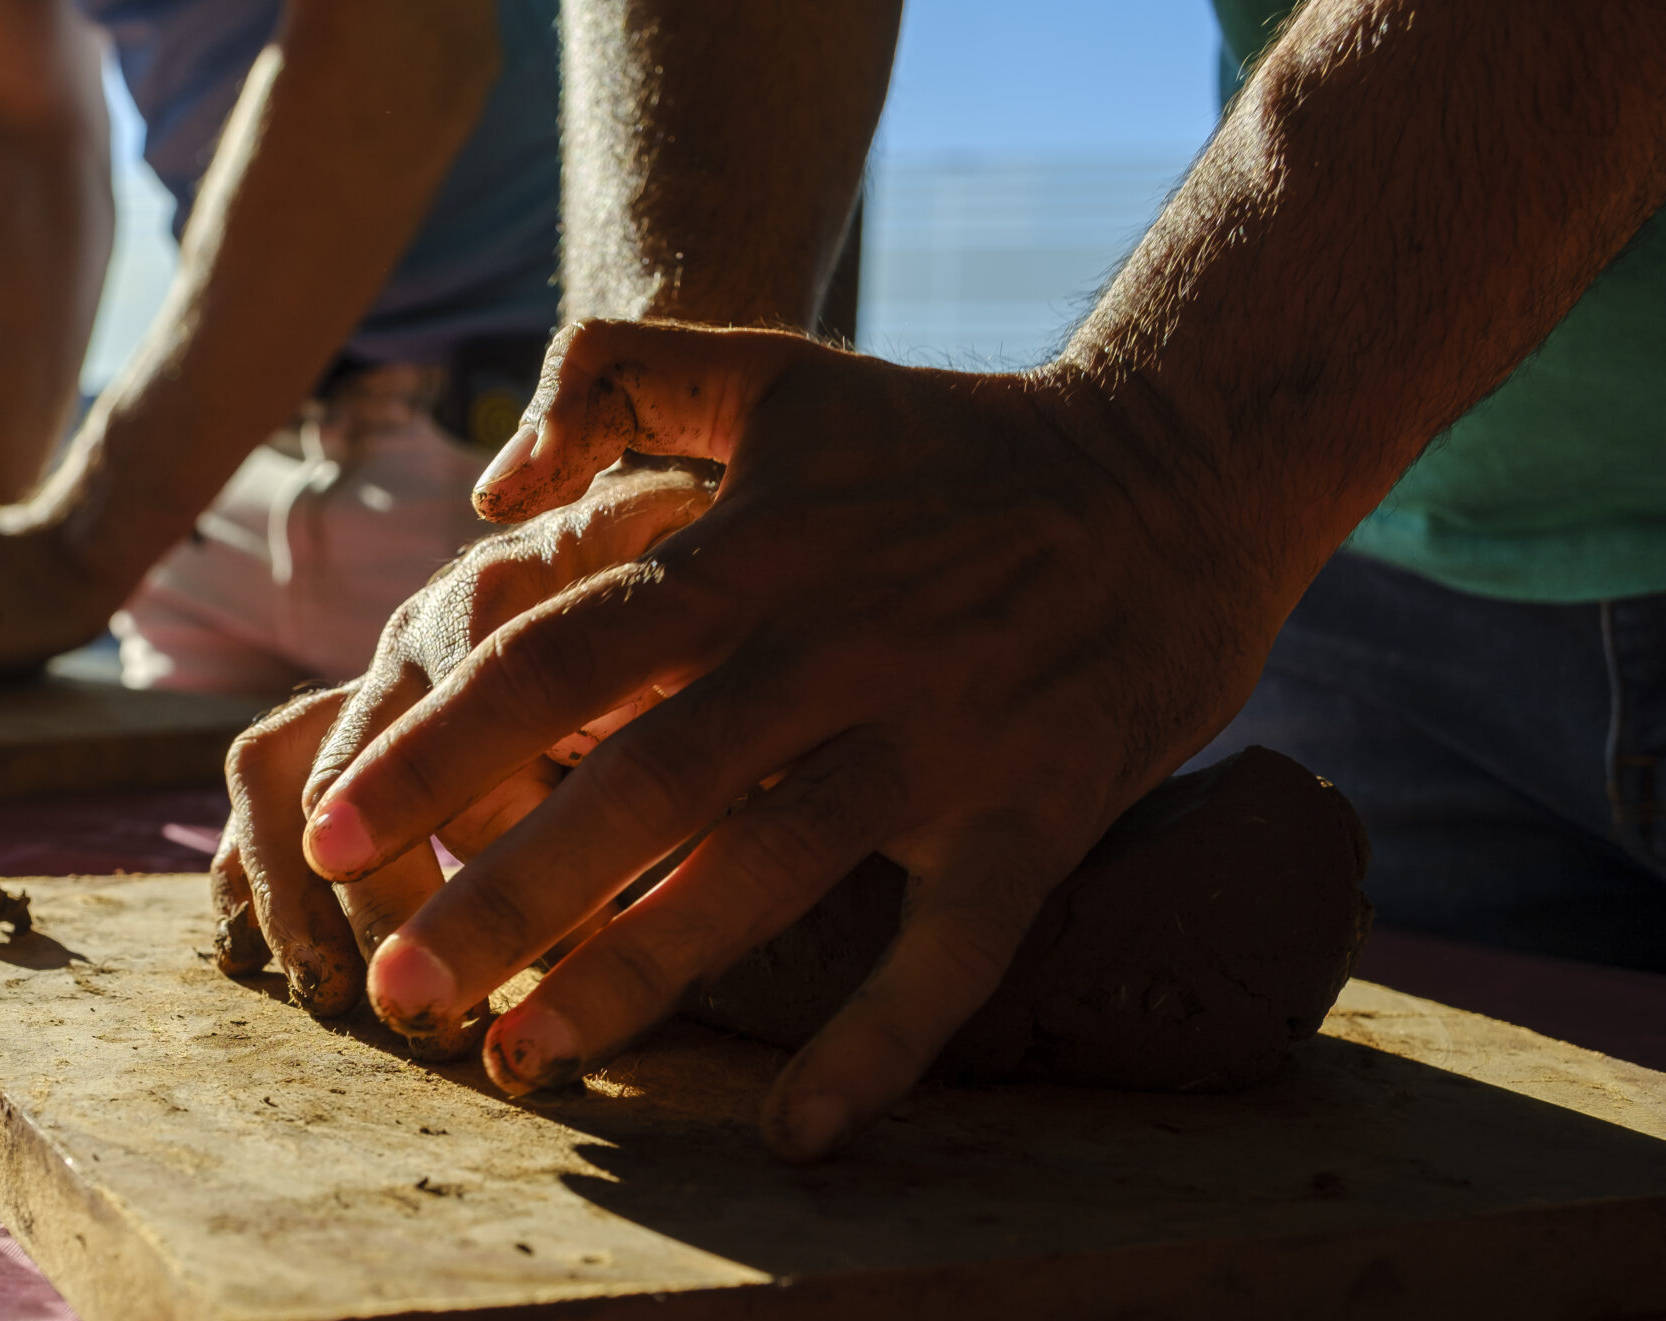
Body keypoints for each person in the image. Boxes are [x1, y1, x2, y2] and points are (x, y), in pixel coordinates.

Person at [212, 0, 1666, 1152]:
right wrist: (678, 517)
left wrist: (1156, 460)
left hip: (1276, 472)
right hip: (1364, 544)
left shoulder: (1188, 489)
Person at [0, 0, 562, 701]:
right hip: (222, 468)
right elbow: (19, 123)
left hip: (509, 457)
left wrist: (81, 549)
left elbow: (402, 42)